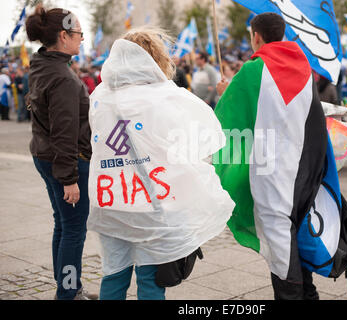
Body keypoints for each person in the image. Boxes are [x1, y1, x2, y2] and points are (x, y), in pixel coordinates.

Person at [87, 27, 234, 300]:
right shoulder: (167, 96)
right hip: (151, 202)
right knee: (151, 281)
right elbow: (203, 137)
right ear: (156, 58)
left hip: (110, 199)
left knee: (114, 275)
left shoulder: (99, 96)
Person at [215, 12, 329, 300]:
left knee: (280, 248)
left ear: (256, 36)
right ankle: (309, 293)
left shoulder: (252, 71)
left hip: (271, 173)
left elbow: (229, 119)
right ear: (283, 33)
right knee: (296, 235)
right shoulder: (304, 67)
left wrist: (225, 92)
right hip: (304, 169)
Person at [25, 5, 97, 300]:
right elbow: (65, 133)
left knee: (63, 223)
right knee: (74, 230)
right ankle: (68, 294)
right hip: (64, 161)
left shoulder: (42, 64)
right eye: (79, 33)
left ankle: (68, 287)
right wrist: (69, 179)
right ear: (64, 35)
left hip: (44, 155)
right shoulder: (64, 78)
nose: (82, 39)